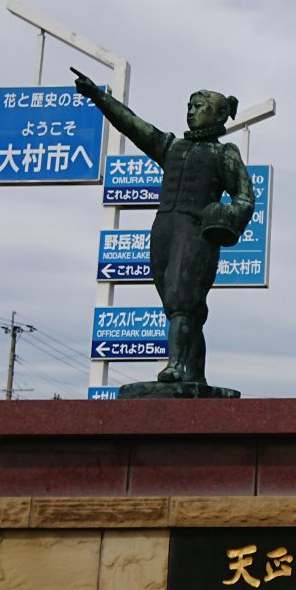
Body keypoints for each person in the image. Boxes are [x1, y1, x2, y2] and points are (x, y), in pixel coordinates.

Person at [73, 68, 254, 385]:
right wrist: (99, 97)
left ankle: (175, 366)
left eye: (200, 107)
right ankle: (195, 375)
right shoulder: (172, 147)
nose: (192, 112)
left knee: (183, 302)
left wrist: (223, 214)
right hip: (164, 230)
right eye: (190, 106)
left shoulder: (224, 153)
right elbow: (133, 125)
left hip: (196, 232)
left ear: (220, 114)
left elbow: (245, 197)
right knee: (178, 307)